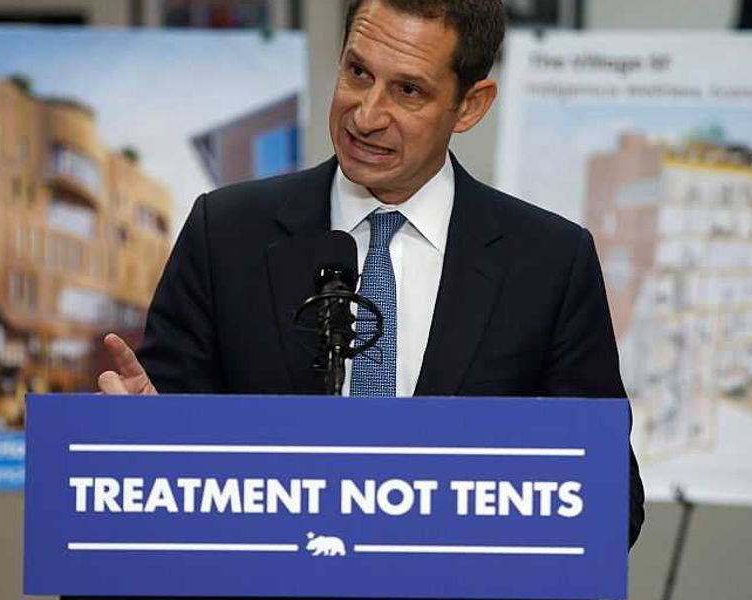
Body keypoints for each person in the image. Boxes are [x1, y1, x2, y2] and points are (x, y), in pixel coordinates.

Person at [97, 0, 644, 548]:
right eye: (358, 72)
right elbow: (164, 477)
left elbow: (610, 501)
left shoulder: (548, 263)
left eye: (408, 90)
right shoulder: (226, 234)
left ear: (470, 105)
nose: (366, 116)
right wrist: (142, 441)